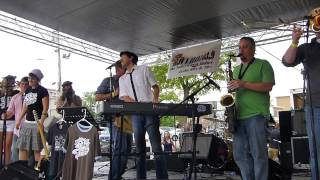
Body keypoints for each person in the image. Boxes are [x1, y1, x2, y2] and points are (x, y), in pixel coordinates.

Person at [228, 37, 275, 180]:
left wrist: (243, 84)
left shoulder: (263, 64)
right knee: (240, 155)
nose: (241, 50)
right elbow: (234, 91)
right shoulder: (236, 69)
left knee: (258, 154)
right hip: (239, 117)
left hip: (257, 115)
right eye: (240, 47)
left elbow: (268, 86)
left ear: (253, 49)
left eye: (245, 47)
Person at [282, 9, 320, 179]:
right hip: (315, 104)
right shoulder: (307, 47)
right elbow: (287, 61)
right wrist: (294, 41)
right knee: (316, 150)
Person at [119, 51, 168, 179]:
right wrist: (136, 103)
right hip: (135, 114)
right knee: (139, 149)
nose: (120, 60)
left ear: (131, 58)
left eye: (122, 57)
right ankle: (141, 177)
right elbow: (124, 96)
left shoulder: (144, 69)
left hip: (149, 112)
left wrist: (156, 98)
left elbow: (155, 86)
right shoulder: (122, 78)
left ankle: (162, 177)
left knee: (156, 147)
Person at [95, 60, 133, 180]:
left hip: (129, 117)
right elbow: (97, 96)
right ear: (117, 69)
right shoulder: (109, 81)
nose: (127, 69)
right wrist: (112, 94)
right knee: (120, 147)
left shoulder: (129, 79)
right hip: (115, 117)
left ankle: (118, 175)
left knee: (127, 148)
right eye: (124, 68)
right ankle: (114, 176)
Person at [15, 69, 49, 162]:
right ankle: (22, 169)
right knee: (22, 147)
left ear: (38, 79)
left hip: (37, 122)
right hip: (27, 122)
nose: (30, 80)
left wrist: (41, 124)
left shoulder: (43, 91)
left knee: (36, 148)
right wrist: (19, 120)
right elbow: (25, 107)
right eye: (29, 78)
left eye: (33, 78)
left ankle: (37, 171)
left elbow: (45, 108)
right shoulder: (28, 89)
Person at [2, 77, 29, 162]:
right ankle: (15, 171)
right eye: (22, 84)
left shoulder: (33, 96)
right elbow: (10, 111)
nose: (24, 86)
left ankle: (28, 171)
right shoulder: (15, 97)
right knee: (15, 150)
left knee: (28, 151)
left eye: (26, 84)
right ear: (20, 85)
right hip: (17, 128)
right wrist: (5, 115)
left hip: (29, 127)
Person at [0, 75, 19, 165]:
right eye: (6, 85)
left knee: (8, 145)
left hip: (11, 121)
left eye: (10, 84)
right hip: (0, 121)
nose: (8, 87)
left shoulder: (16, 93)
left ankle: (7, 166)